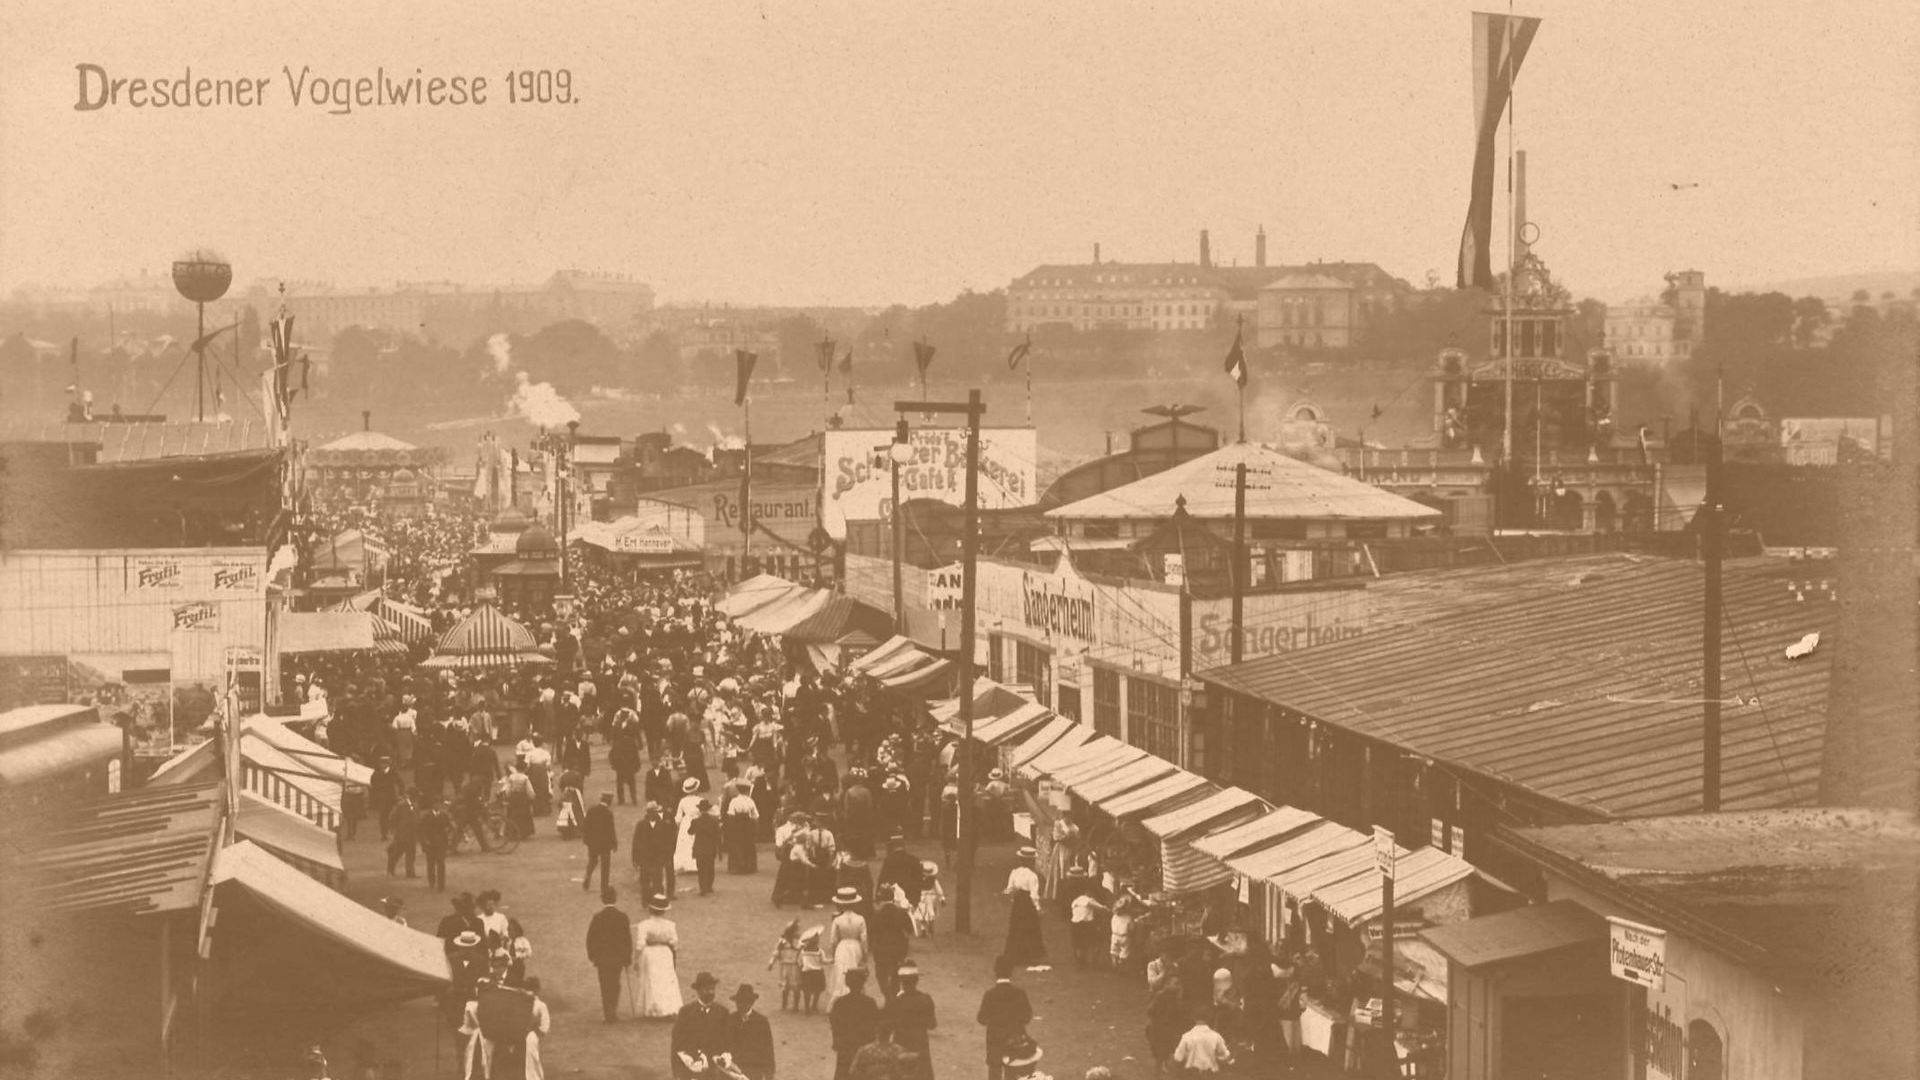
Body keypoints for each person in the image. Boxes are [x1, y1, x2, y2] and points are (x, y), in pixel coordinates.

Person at [977, 956, 1033, 1080]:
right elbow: (1027, 1017)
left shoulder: (990, 994)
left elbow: (981, 1018)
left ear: (995, 972)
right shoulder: (1019, 993)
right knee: (1013, 1072)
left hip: (995, 1039)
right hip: (1014, 1038)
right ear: (1011, 972)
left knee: (994, 1072)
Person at [883, 959, 937, 1080]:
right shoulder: (925, 999)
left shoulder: (896, 1001)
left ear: (901, 981)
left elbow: (888, 1026)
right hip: (920, 1044)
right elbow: (932, 1024)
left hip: (901, 1044)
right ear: (916, 980)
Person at [586, 887, 633, 1023]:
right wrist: (627, 958)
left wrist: (592, 955)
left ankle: (608, 1013)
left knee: (605, 984)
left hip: (602, 959)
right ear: (615, 898)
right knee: (615, 983)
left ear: (602, 899)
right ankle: (613, 1009)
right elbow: (627, 939)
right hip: (617, 958)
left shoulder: (598, 917)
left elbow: (591, 938)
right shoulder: (622, 917)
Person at [671, 971, 729, 1079]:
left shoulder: (722, 1012)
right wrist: (677, 1074)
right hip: (693, 1069)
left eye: (713, 989)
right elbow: (677, 1045)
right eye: (707, 989)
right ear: (698, 991)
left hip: (716, 1071)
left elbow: (727, 1042)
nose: (711, 992)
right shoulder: (686, 1012)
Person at [634, 895, 684, 1018]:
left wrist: (636, 958)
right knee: (665, 980)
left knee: (651, 980)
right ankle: (667, 1007)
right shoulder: (670, 925)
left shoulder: (644, 925)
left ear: (650, 909)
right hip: (665, 953)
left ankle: (653, 1008)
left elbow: (640, 944)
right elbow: (675, 943)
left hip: (650, 953)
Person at [828, 968, 880, 1080]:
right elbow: (876, 1023)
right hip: (864, 1046)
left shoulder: (840, 1003)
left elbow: (834, 1024)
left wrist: (837, 1041)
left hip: (845, 1047)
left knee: (843, 1074)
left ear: (847, 983)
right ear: (863, 983)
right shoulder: (869, 1003)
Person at [1003, 847, 1048, 970]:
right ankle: (1031, 955)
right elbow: (1034, 894)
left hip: (1018, 904)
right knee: (1030, 928)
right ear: (1031, 861)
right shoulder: (1032, 876)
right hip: (1027, 904)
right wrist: (1038, 908)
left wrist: (1013, 896)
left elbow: (1009, 889)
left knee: (1016, 928)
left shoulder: (1014, 872)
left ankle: (1016, 955)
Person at [824, 887, 870, 999]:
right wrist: (865, 953)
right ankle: (856, 996)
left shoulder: (838, 920)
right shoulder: (860, 919)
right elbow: (864, 939)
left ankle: (841, 997)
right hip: (856, 947)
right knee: (855, 970)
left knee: (841, 971)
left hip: (842, 947)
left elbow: (833, 940)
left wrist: (833, 952)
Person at [870, 890, 914, 1000]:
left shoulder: (877, 914)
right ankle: (894, 997)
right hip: (897, 949)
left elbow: (871, 932)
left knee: (881, 974)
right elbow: (909, 930)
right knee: (896, 973)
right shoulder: (901, 912)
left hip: (881, 949)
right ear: (893, 898)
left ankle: (888, 997)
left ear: (881, 900)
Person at [726, 983, 776, 1080]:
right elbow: (726, 1043)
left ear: (751, 1003)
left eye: (744, 1002)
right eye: (738, 1002)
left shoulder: (761, 1022)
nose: (740, 1005)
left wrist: (769, 1073)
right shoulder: (731, 1019)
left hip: (754, 1070)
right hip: (734, 1069)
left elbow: (768, 1048)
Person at [1145, 973, 1188, 1074]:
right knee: (1159, 1050)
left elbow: (1178, 1013)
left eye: (1179, 984)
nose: (1178, 986)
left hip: (1169, 1029)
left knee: (1166, 1049)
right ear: (1167, 984)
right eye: (1175, 984)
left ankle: (1162, 1065)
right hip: (1157, 1027)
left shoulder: (1175, 998)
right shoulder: (1161, 996)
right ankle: (1158, 1070)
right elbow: (1150, 1011)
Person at [633, 801, 677, 900]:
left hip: (658, 858)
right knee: (645, 881)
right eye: (649, 812)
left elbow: (667, 842)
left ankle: (658, 902)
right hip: (645, 858)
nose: (652, 814)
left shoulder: (663, 824)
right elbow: (636, 842)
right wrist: (635, 859)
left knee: (658, 880)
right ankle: (646, 901)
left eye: (654, 812)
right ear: (647, 812)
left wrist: (667, 857)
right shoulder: (641, 825)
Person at [874, 832, 924, 909]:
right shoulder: (914, 860)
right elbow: (919, 880)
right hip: (911, 897)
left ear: (892, 846)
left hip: (894, 897)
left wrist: (878, 895)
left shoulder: (889, 860)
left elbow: (882, 879)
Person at [583, 793, 618, 893]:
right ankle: (604, 886)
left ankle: (588, 875)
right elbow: (611, 830)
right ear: (609, 802)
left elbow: (585, 825)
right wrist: (614, 843)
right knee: (605, 865)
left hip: (592, 842)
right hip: (605, 844)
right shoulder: (608, 813)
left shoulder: (591, 810)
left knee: (592, 861)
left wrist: (586, 839)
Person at [724, 782, 761, 873]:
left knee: (737, 844)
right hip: (748, 823)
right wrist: (755, 827)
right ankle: (750, 866)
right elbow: (755, 816)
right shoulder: (750, 801)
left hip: (737, 823)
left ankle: (737, 867)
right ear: (747, 790)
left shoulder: (734, 800)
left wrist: (730, 827)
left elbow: (731, 814)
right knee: (748, 844)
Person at [419, 796, 453, 892]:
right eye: (435, 803)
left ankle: (441, 884)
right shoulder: (426, 816)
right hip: (430, 844)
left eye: (439, 803)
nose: (438, 805)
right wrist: (425, 841)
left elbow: (449, 827)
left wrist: (448, 831)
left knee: (441, 863)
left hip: (441, 843)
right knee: (431, 863)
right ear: (432, 805)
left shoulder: (444, 816)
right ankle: (432, 881)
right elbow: (421, 830)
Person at [690, 797, 723, 895]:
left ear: (699, 809)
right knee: (710, 867)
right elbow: (718, 836)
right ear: (708, 809)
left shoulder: (695, 821)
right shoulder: (714, 821)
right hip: (710, 848)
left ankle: (702, 888)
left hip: (699, 847)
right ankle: (709, 886)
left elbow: (690, 832)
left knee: (701, 868)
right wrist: (720, 851)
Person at [1069, 888, 1109, 969]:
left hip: (1074, 923)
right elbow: (1101, 908)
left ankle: (1080, 961)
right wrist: (1108, 910)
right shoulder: (1089, 900)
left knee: (1077, 943)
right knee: (1089, 942)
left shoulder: (1076, 900)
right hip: (1084, 924)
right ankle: (1087, 961)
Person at [768, 919, 803, 1012]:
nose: (798, 932)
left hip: (795, 967)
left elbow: (802, 954)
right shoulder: (782, 942)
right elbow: (776, 953)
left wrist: (802, 964)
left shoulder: (800, 942)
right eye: (796, 931)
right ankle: (784, 1004)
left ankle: (795, 1006)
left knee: (796, 988)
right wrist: (771, 963)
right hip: (785, 967)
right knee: (785, 987)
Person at [674, 776, 704, 874]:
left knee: (685, 843)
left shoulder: (683, 801)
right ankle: (696, 865)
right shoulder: (701, 800)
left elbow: (678, 816)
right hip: (698, 821)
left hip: (686, 823)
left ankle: (686, 864)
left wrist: (678, 827)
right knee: (696, 842)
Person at [386, 790, 419, 878]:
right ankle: (390, 870)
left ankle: (410, 872)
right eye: (414, 796)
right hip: (402, 834)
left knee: (411, 854)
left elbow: (417, 819)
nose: (416, 798)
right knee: (396, 853)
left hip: (412, 834)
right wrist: (393, 830)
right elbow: (392, 817)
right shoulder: (401, 805)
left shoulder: (415, 806)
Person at [798, 926, 828, 1014]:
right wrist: (831, 961)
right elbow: (824, 961)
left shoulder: (803, 951)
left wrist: (801, 967)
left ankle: (807, 1008)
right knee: (817, 990)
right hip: (817, 973)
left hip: (806, 973)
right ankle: (814, 1005)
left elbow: (799, 961)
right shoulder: (820, 951)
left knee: (806, 991)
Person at [913, 861, 945, 937]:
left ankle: (929, 927)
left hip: (929, 897)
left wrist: (942, 898)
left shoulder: (933, 880)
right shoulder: (920, 879)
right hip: (923, 897)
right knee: (922, 913)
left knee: (929, 913)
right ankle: (924, 930)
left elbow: (938, 889)